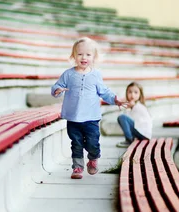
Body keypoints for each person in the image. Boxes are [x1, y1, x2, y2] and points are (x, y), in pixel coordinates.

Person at [51, 37, 126, 179]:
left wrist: (115, 99)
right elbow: (56, 86)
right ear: (73, 56)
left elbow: (104, 91)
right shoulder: (68, 74)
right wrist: (57, 90)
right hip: (73, 118)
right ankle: (77, 167)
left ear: (94, 57)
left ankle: (93, 158)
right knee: (76, 143)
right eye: (79, 54)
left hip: (91, 118)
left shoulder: (96, 75)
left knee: (92, 143)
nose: (83, 57)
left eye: (88, 54)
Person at [116, 82, 152, 147]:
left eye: (135, 92)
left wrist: (127, 106)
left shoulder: (138, 106)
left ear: (140, 95)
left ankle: (129, 140)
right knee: (122, 118)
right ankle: (130, 138)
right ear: (126, 93)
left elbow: (123, 118)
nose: (132, 95)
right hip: (144, 133)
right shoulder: (133, 106)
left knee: (122, 117)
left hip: (143, 132)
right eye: (130, 92)